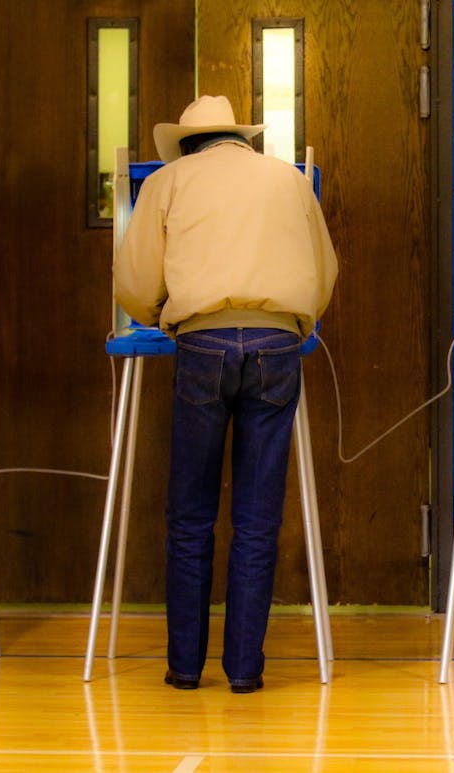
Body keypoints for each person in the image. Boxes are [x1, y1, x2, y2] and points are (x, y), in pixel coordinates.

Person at [114, 95, 338, 693]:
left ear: (186, 144)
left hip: (203, 347)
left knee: (190, 517)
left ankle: (185, 669)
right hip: (277, 346)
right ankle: (245, 672)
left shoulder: (167, 181)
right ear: (241, 137)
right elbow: (325, 271)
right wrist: (298, 323)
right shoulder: (289, 179)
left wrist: (163, 314)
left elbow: (133, 280)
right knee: (257, 521)